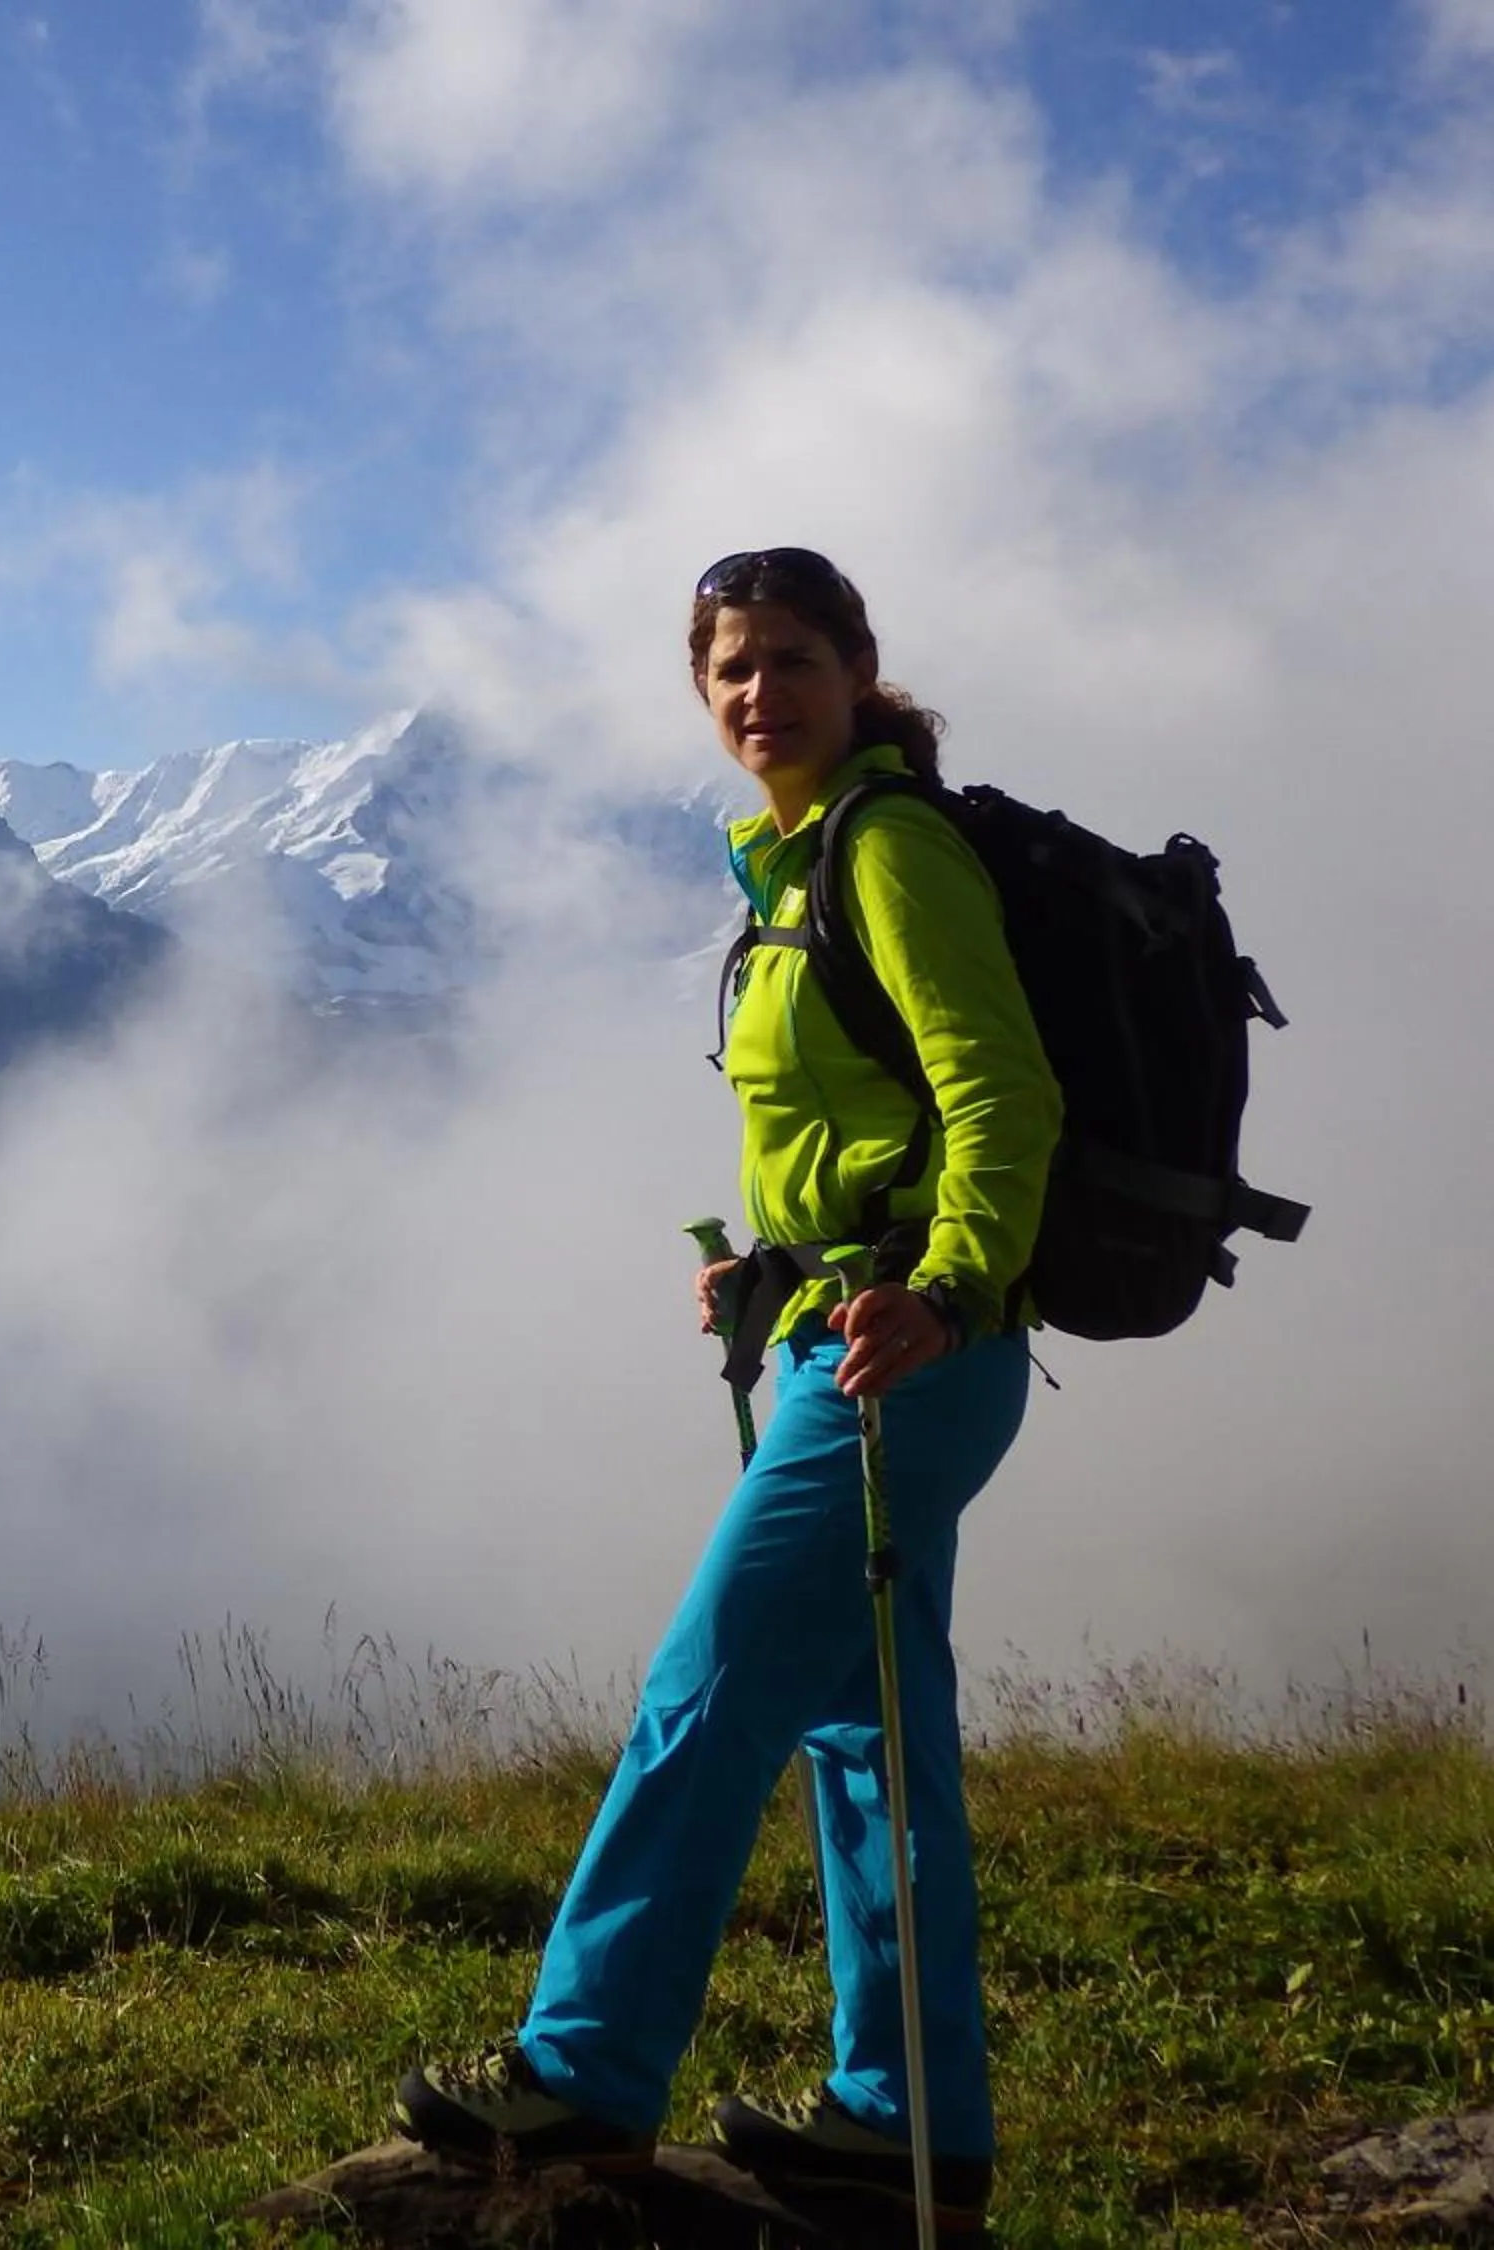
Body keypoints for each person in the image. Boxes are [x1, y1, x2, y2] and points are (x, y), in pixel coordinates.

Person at [391, 547, 1063, 2231]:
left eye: (787, 659)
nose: (757, 691)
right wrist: (778, 1265)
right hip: (870, 1331)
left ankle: (581, 2077)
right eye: (729, 668)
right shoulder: (798, 867)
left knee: (703, 1691)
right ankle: (909, 2122)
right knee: (870, 1741)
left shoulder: (889, 848)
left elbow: (1003, 1094)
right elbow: (872, 1126)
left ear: (858, 669)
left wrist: (954, 1279)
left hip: (910, 1358)